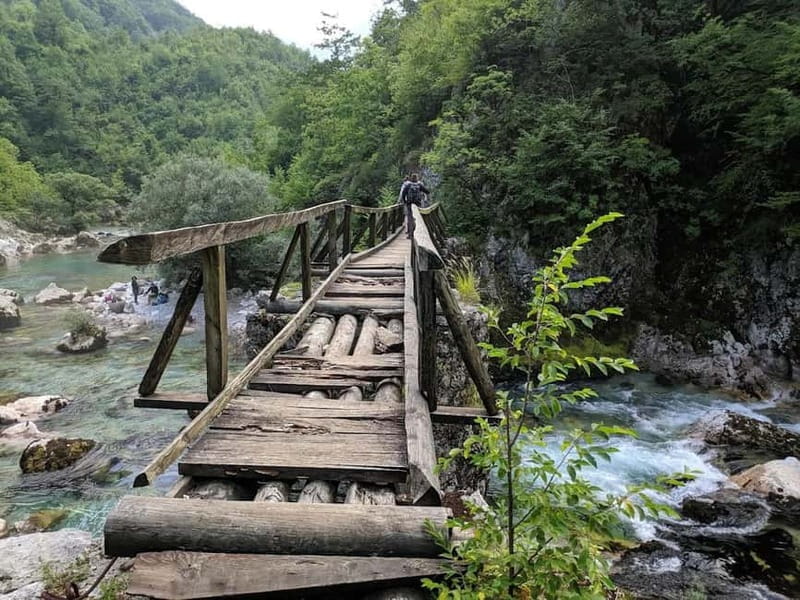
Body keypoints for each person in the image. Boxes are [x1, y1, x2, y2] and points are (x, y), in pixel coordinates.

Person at [400, 173, 430, 239]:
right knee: (418, 219)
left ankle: (410, 235)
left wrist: (405, 202)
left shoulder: (408, 185)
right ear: (417, 178)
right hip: (418, 204)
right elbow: (427, 191)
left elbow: (403, 194)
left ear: (411, 178)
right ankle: (418, 234)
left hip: (409, 204)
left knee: (410, 219)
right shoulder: (419, 185)